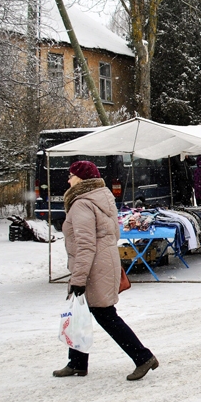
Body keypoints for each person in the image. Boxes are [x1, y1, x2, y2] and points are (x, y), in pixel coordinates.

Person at [54, 160, 158, 380]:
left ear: (81, 179)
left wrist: (78, 278)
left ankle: (143, 357)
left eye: (71, 175)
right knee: (80, 313)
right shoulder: (103, 197)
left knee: (106, 316)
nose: (68, 179)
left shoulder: (82, 203)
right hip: (103, 262)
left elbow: (85, 245)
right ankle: (77, 363)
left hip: (92, 268)